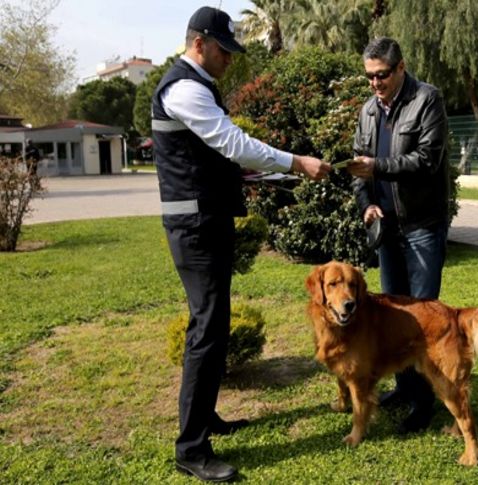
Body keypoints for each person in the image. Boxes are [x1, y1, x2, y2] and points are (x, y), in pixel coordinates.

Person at [151, 6, 329, 482]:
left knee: (211, 324)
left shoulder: (197, 87)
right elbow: (233, 144)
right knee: (207, 328)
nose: (230, 60)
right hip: (195, 227)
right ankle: (191, 448)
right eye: (224, 50)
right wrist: (296, 163)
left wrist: (273, 173)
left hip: (205, 221)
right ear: (198, 45)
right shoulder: (185, 89)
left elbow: (228, 160)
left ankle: (205, 419)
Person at [348, 37, 450, 434]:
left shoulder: (428, 99)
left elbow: (427, 160)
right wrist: (366, 204)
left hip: (423, 226)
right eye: (370, 77)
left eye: (382, 75)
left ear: (401, 67)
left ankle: (426, 402)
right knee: (393, 316)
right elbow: (359, 166)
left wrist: (377, 167)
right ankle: (406, 389)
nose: (375, 83)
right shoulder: (369, 109)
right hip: (387, 227)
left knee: (423, 318)